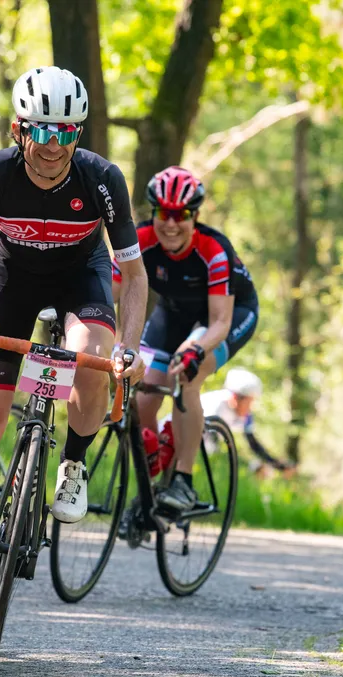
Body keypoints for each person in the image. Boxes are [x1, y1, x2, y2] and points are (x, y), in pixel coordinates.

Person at [0, 66, 148, 622]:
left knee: (93, 362)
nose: (54, 145)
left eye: (67, 132)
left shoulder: (102, 178)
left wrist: (128, 347)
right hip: (13, 281)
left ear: (78, 133)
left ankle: (72, 464)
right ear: (19, 129)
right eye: (43, 130)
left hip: (82, 278)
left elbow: (134, 274)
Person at [114, 166, 261, 508]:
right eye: (163, 213)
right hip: (173, 313)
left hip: (228, 315)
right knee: (142, 396)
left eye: (180, 215)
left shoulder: (214, 249)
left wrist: (196, 350)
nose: (170, 223)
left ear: (194, 216)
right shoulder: (140, 240)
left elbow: (220, 321)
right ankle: (153, 478)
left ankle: (183, 479)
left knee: (186, 374)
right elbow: (110, 292)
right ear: (153, 212)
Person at [201, 369, 293, 478]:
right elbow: (213, 448)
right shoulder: (215, 407)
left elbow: (253, 444)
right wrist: (252, 466)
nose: (250, 408)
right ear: (235, 398)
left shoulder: (246, 415)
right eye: (249, 402)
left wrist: (278, 465)